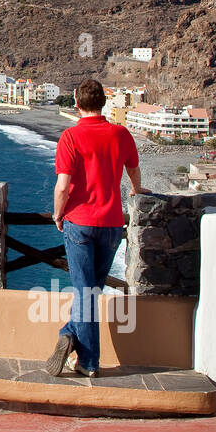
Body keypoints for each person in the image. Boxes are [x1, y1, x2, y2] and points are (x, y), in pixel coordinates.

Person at [44, 79, 142, 378]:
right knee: (91, 291)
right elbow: (134, 169)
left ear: (77, 104)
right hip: (112, 224)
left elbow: (62, 187)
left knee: (85, 292)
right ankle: (72, 339)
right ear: (103, 103)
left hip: (79, 222)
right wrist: (137, 192)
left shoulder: (71, 137)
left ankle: (85, 357)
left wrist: (58, 215)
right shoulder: (120, 134)